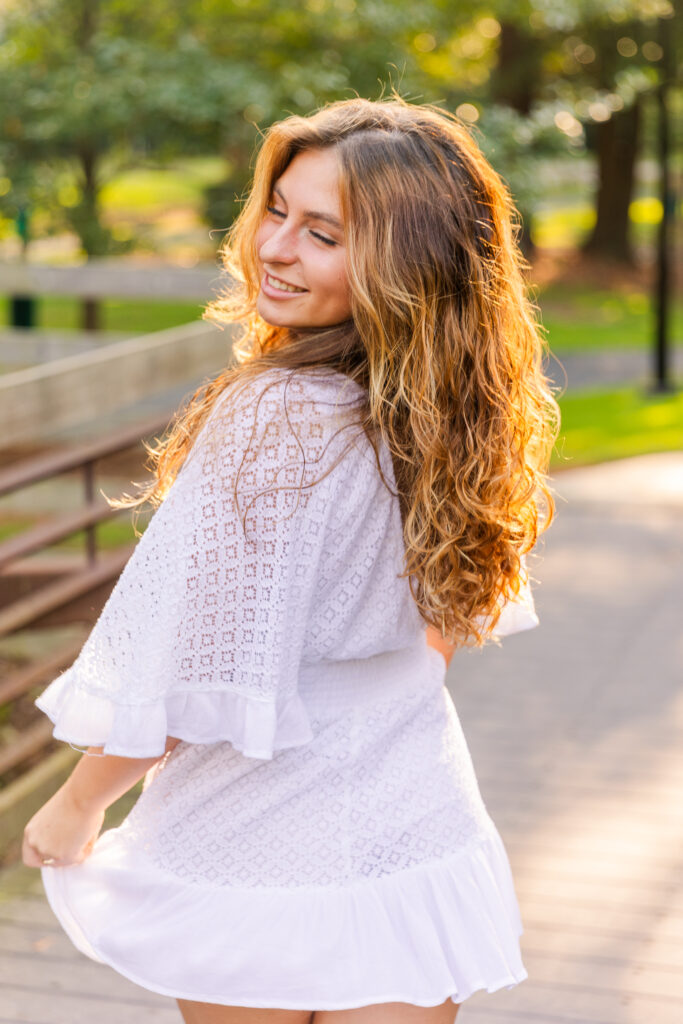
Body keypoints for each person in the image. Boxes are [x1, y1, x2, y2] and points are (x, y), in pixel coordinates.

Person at [22, 94, 560, 1024]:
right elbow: (441, 628)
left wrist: (75, 804)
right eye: (277, 210)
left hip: (254, 825)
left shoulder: (274, 416)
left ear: (404, 264)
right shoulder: (457, 413)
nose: (274, 248)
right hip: (407, 813)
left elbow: (197, 666)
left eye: (322, 233)